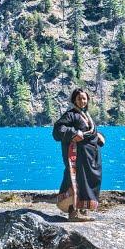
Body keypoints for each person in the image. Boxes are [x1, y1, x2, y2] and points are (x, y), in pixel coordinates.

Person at [52, 88, 105, 222]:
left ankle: (82, 210)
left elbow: (89, 132)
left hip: (89, 156)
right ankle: (73, 213)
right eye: (79, 98)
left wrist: (99, 136)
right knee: (75, 179)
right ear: (74, 100)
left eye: (84, 98)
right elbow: (58, 130)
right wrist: (73, 133)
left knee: (88, 180)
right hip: (77, 156)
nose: (82, 101)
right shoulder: (70, 115)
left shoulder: (86, 115)